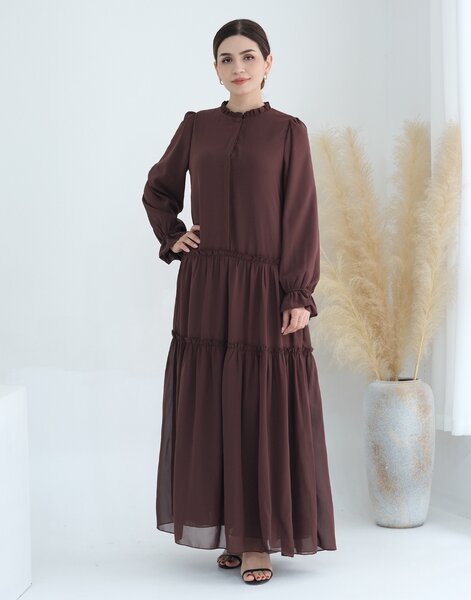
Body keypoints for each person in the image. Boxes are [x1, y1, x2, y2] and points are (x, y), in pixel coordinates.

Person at [141, 18, 337, 585]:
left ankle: (256, 541)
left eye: (249, 56)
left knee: (259, 409)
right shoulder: (196, 126)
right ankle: (231, 529)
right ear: (216, 69)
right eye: (227, 59)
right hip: (207, 286)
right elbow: (158, 188)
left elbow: (301, 216)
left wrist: (298, 292)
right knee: (216, 407)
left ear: (268, 63)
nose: (238, 67)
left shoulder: (289, 132)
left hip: (264, 289)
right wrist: (173, 235)